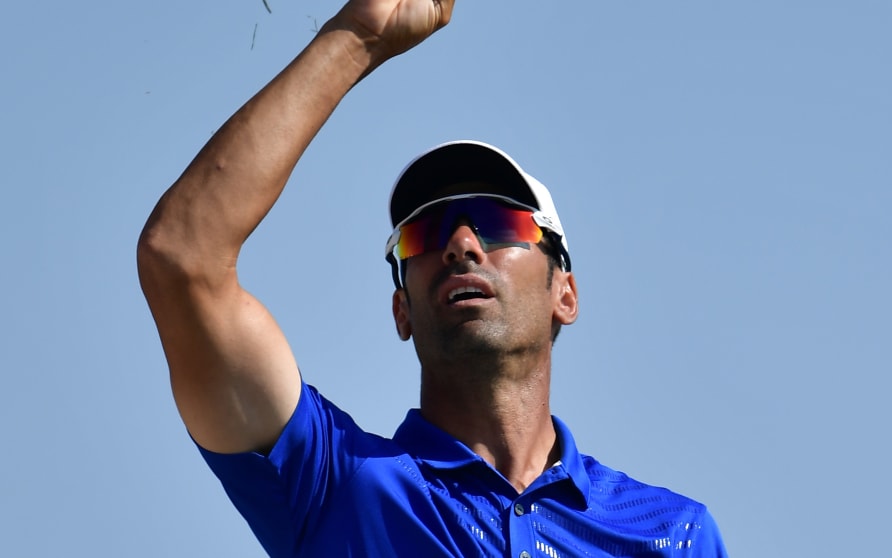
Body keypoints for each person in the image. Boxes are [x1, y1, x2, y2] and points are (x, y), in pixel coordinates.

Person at [137, 0, 727, 556]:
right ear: (402, 310)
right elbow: (182, 255)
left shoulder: (670, 534)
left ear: (564, 294)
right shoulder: (336, 484)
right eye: (425, 235)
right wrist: (359, 39)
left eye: (500, 222)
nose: (461, 245)